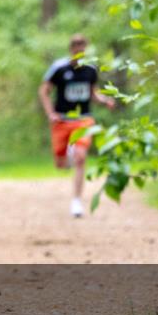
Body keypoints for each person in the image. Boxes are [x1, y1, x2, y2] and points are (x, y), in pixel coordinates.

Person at [38, 34, 115, 218]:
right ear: (71, 49)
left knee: (81, 157)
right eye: (76, 48)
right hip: (62, 120)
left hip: (84, 119)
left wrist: (105, 101)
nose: (79, 52)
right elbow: (44, 91)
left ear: (85, 49)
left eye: (82, 48)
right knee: (61, 164)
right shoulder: (58, 68)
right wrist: (51, 113)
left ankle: (77, 201)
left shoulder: (91, 69)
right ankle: (68, 154)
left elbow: (93, 94)